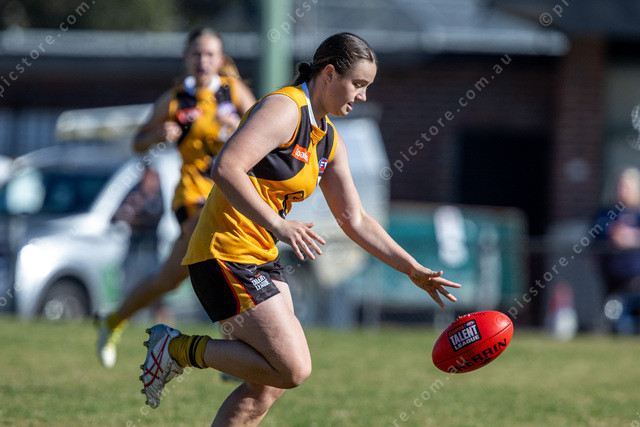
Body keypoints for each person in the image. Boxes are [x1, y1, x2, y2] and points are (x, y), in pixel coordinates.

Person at [139, 33, 461, 425]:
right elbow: (226, 167)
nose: (362, 96)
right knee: (293, 368)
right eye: (358, 84)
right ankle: (175, 348)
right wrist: (278, 224)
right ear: (330, 74)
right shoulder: (285, 108)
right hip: (224, 252)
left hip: (259, 256)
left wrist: (412, 268)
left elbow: (355, 219)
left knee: (266, 387)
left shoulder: (328, 139)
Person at [95, 27, 256, 368]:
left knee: (167, 279)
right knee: (219, 251)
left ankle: (113, 320)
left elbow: (263, 131)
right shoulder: (174, 99)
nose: (203, 60)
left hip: (228, 193)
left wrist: (237, 126)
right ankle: (235, 350)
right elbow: (137, 142)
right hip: (192, 195)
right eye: (196, 54)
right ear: (186, 58)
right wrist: (158, 134)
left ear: (220, 59)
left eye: (210, 54)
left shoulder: (233, 92)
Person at [595, 166, 640, 333]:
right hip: (611, 276)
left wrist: (632, 238)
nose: (623, 190)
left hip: (635, 277)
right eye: (620, 186)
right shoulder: (606, 214)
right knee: (613, 313)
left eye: (627, 186)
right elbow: (595, 235)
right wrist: (613, 233)